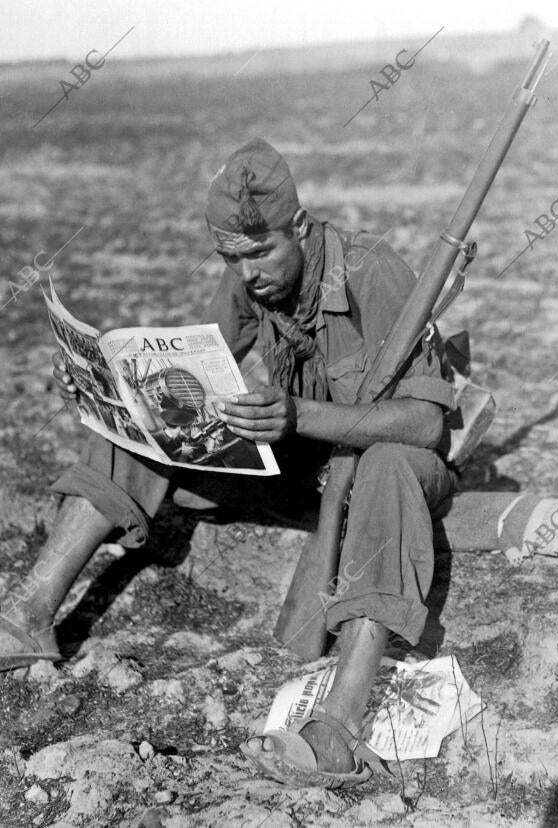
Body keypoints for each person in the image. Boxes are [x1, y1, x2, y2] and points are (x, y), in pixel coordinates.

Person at [0, 138, 456, 788]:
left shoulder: (373, 270)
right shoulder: (251, 273)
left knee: (386, 463)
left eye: (260, 252)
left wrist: (297, 416)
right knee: (132, 433)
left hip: (389, 475)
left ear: (299, 227)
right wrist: (115, 394)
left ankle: (338, 728)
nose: (246, 274)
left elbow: (425, 423)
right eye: (230, 258)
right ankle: (28, 616)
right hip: (310, 471)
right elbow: (197, 374)